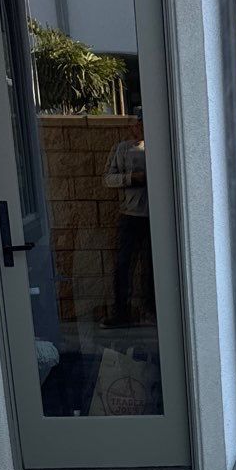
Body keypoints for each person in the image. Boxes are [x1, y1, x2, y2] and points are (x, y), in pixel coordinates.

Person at [104, 109, 152, 326]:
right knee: (123, 265)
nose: (138, 128)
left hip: (153, 217)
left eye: (142, 124)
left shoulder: (157, 147)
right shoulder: (121, 149)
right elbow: (108, 179)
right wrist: (131, 178)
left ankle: (152, 311)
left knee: (151, 267)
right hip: (129, 216)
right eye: (136, 124)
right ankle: (121, 313)